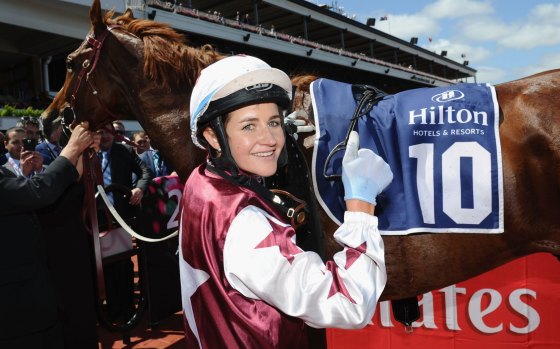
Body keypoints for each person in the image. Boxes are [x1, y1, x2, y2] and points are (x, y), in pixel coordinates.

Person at [180, 55, 393, 348]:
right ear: (213, 137)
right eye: (248, 126)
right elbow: (349, 302)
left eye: (273, 122)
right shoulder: (247, 225)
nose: (269, 138)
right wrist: (361, 204)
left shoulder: (199, 181)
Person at [0, 123, 94, 349]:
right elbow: (38, 192)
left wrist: (79, 155)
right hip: (18, 314)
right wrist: (71, 149)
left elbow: (29, 195)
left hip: (34, 303)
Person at [97, 123, 153, 320]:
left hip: (119, 218)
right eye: (100, 132)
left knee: (122, 264)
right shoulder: (86, 154)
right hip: (95, 221)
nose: (105, 136)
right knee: (103, 268)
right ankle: (111, 311)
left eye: (108, 132)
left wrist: (139, 188)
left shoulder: (124, 151)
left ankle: (127, 309)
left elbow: (145, 172)